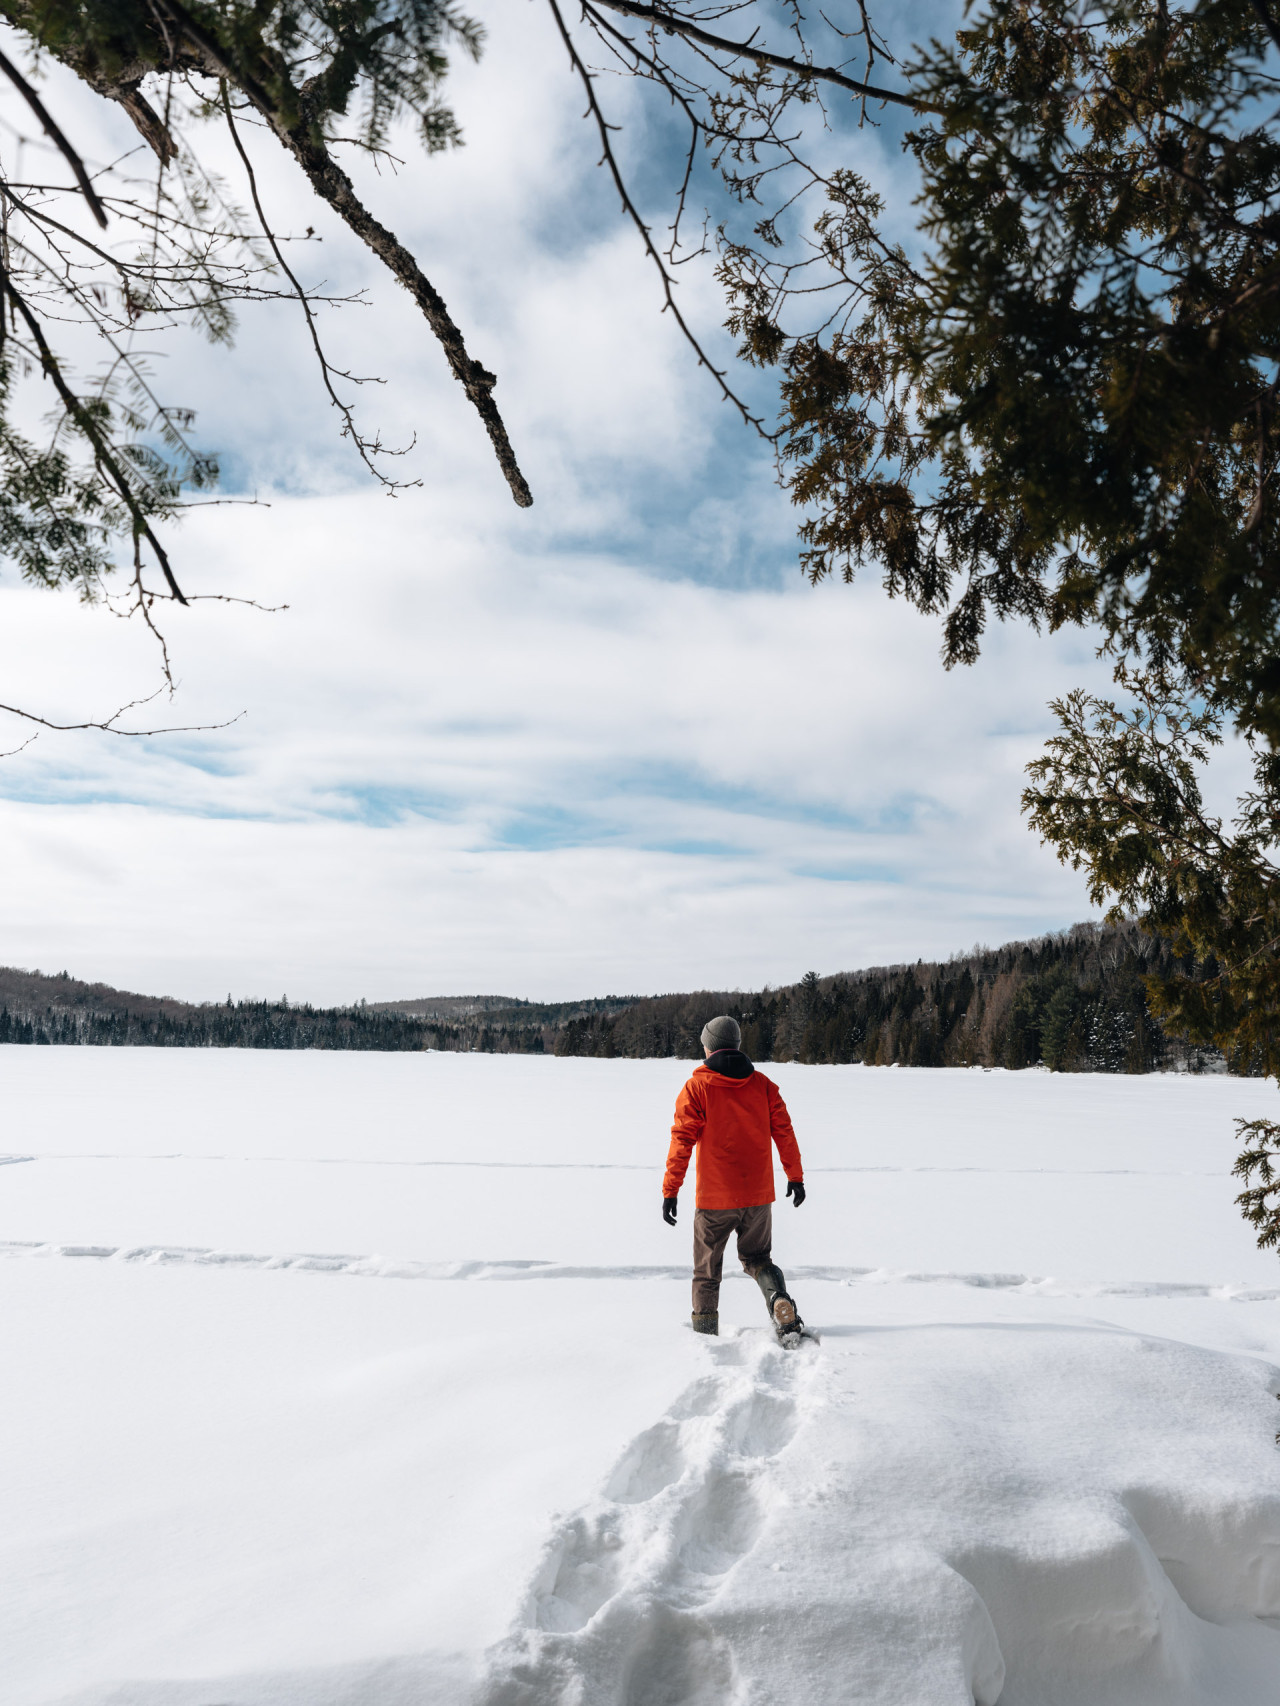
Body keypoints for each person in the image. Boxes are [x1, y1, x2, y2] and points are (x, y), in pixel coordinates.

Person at [661, 1014, 807, 1339]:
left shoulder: (697, 1087)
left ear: (709, 1047)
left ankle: (704, 1338)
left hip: (714, 1200)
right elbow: (785, 1133)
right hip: (757, 1198)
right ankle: (777, 1298)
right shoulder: (763, 1085)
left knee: (707, 1271)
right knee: (758, 1258)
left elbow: (681, 1141)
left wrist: (671, 1191)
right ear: (737, 1046)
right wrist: (795, 1177)